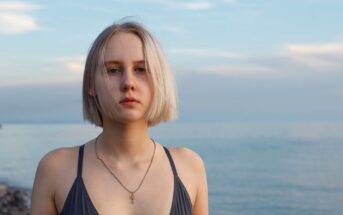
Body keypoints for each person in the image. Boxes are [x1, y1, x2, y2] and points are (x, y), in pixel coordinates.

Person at [30, 21, 208, 215]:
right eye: (113, 70)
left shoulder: (189, 167)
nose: (128, 83)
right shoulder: (56, 169)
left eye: (141, 69)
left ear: (158, 80)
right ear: (91, 83)